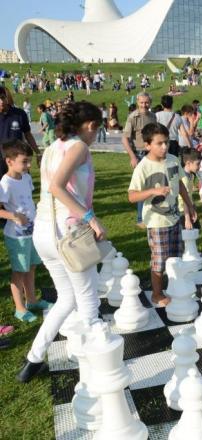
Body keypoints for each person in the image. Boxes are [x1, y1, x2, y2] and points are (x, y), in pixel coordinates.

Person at [17, 101, 107, 383]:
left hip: (44, 232)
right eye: (97, 130)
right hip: (67, 233)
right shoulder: (79, 147)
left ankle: (33, 358)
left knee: (66, 298)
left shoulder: (54, 147)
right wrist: (91, 218)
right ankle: (98, 368)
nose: (95, 136)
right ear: (91, 126)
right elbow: (57, 187)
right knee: (88, 299)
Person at [128, 123, 196, 307]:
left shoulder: (173, 159)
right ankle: (157, 294)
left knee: (175, 258)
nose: (164, 147)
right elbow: (132, 196)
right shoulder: (143, 167)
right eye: (159, 143)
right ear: (147, 145)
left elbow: (180, 184)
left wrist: (189, 205)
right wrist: (152, 191)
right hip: (156, 221)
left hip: (173, 217)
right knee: (159, 260)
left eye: (166, 142)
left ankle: (174, 288)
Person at [0, 140, 50, 323]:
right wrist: (13, 215)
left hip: (32, 233)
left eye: (29, 161)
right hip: (17, 237)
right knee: (19, 272)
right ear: (9, 161)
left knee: (31, 267)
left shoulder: (27, 177)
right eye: (24, 162)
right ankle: (20, 308)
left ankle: (32, 301)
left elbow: (28, 200)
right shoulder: (5, 183)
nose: (28, 165)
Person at [121, 92, 157, 228]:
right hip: (139, 154)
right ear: (137, 102)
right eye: (142, 102)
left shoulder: (153, 116)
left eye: (146, 102)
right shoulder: (133, 117)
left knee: (153, 184)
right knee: (141, 187)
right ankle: (141, 219)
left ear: (150, 102)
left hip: (152, 154)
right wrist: (132, 156)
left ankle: (152, 214)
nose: (144, 105)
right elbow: (125, 138)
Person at [0, 86, 40, 176]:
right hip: (1, 161)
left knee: (23, 188)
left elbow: (28, 135)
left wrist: (38, 153)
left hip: (18, 159)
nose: (1, 101)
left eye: (2, 97)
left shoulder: (20, 114)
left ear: (6, 97)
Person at [178, 148, 201, 229]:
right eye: (197, 164)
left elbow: (190, 194)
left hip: (189, 208)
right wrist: (187, 219)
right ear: (188, 163)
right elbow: (184, 199)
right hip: (182, 211)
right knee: (187, 236)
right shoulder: (184, 178)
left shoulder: (191, 175)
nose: (199, 166)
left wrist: (193, 207)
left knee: (196, 229)